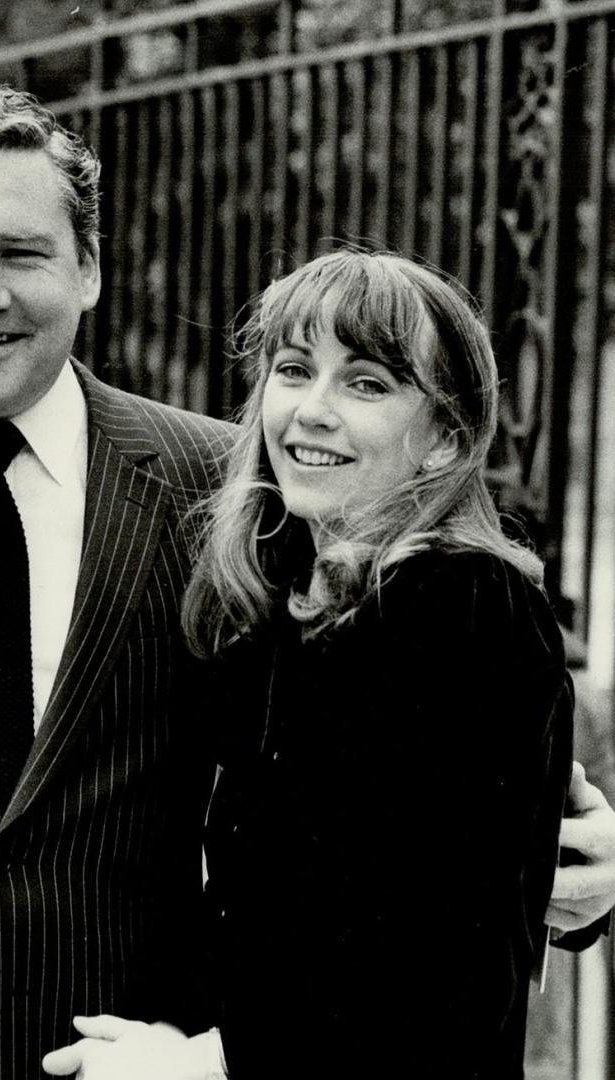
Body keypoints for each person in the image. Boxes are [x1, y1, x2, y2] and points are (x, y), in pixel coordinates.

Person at [0, 82, 615, 1080]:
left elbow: (406, 778)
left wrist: (581, 872)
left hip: (133, 1058)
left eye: (20, 252)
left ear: (87, 269)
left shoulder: (233, 491)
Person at [40, 251, 578, 1079]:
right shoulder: (286, 614)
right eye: (294, 371)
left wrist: (211, 1062)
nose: (311, 411)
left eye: (367, 384)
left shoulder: (466, 606)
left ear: (445, 438)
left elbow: (446, 966)